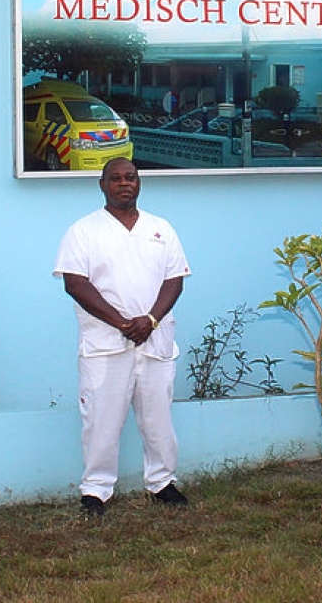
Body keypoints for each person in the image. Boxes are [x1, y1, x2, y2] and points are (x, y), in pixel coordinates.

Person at [53, 157, 191, 515]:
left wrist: (149, 320)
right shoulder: (83, 231)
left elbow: (174, 281)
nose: (124, 183)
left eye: (130, 177)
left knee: (158, 419)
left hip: (154, 341)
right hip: (105, 345)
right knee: (100, 421)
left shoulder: (162, 228)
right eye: (115, 178)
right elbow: (75, 283)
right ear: (102, 185)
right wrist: (121, 322)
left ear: (139, 182)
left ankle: (162, 483)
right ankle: (95, 491)